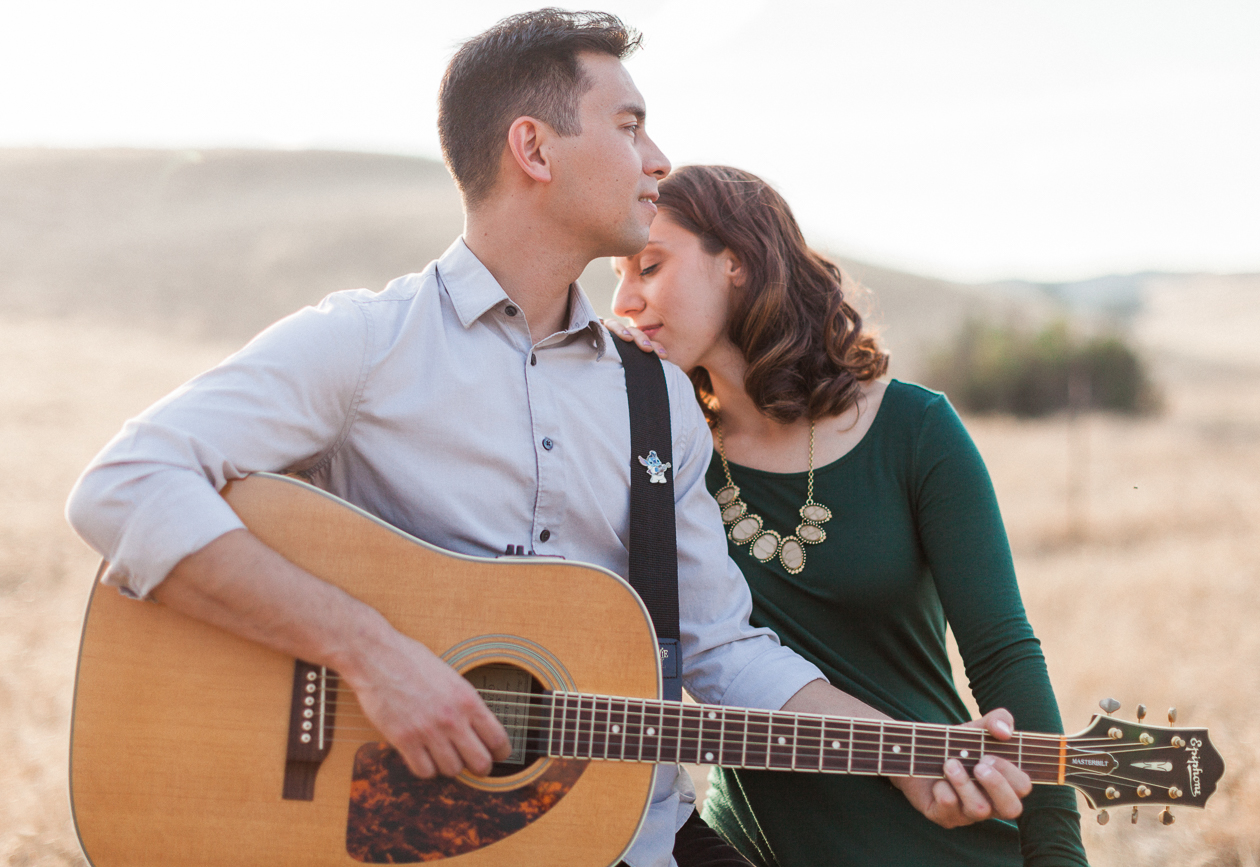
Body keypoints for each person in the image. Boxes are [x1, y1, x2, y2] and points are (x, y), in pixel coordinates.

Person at [66, 12, 1030, 867]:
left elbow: (724, 648)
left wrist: (907, 750)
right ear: (534, 147)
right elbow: (123, 483)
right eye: (628, 124)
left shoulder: (654, 397)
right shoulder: (365, 344)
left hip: (630, 839)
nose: (658, 158)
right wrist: (374, 656)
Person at [609, 164, 1088, 866]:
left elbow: (1003, 651)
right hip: (748, 850)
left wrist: (1055, 855)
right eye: (615, 275)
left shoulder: (916, 429)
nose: (624, 299)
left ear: (737, 261)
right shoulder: (663, 456)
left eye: (648, 266)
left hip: (937, 834)